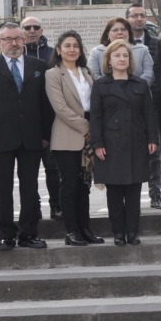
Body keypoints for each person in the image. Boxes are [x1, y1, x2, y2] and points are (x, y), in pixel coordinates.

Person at [0, 22, 56, 250]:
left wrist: (46, 135)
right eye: (8, 39)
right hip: (0, 137)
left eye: (17, 39)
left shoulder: (39, 66)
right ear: (0, 42)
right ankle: (6, 233)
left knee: (30, 187)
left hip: (32, 137)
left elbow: (46, 104)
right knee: (3, 187)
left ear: (24, 40)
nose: (14, 43)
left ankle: (29, 233)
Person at [90, 40, 159, 244]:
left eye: (125, 55)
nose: (122, 59)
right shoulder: (101, 85)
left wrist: (152, 138)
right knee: (114, 191)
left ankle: (132, 232)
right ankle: (118, 233)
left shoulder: (140, 84)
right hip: (110, 144)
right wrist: (97, 143)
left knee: (133, 191)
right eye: (117, 55)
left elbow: (149, 114)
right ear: (108, 60)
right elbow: (96, 117)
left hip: (136, 142)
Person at [44, 31, 100, 246]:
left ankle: (85, 229)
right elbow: (60, 107)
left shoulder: (87, 72)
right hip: (67, 134)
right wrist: (86, 127)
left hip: (89, 134)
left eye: (76, 45)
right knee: (69, 185)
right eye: (67, 45)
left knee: (84, 184)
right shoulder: (53, 74)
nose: (72, 49)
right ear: (58, 50)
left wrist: (94, 127)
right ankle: (72, 231)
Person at [126, 3, 161, 210]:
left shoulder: (157, 44)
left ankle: (156, 195)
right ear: (128, 19)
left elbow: (159, 73)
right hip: (124, 107)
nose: (139, 19)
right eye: (134, 16)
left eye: (142, 15)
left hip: (151, 104)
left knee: (154, 153)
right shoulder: (117, 45)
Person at [21, 14, 61, 221]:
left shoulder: (53, 54)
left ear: (42, 30)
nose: (31, 31)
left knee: (53, 167)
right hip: (26, 121)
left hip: (51, 119)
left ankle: (56, 205)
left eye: (36, 27)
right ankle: (33, 207)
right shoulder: (16, 54)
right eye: (27, 28)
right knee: (28, 171)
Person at [88, 17, 153, 83]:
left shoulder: (142, 50)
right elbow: (94, 75)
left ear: (129, 33)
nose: (120, 32)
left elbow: (148, 74)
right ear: (108, 34)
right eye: (115, 30)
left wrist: (136, 88)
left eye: (123, 29)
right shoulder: (96, 52)